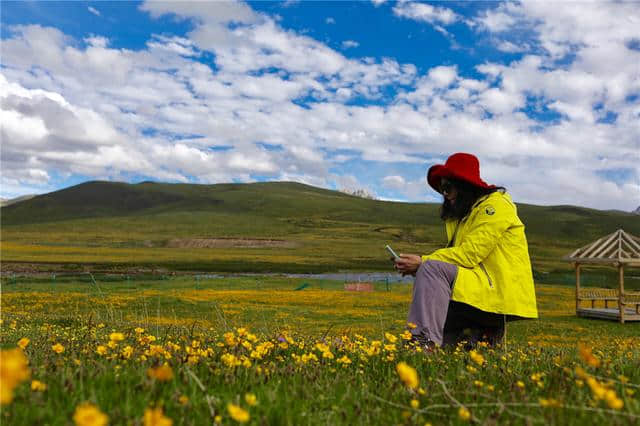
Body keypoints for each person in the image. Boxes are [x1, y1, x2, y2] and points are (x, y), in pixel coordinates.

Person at [394, 152, 538, 349]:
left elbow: (471, 254)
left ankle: (422, 345)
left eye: (447, 187)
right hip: (476, 291)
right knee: (453, 350)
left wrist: (423, 261)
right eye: (441, 189)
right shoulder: (463, 217)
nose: (444, 194)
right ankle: (479, 337)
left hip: (495, 292)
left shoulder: (495, 206)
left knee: (431, 269)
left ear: (465, 185)